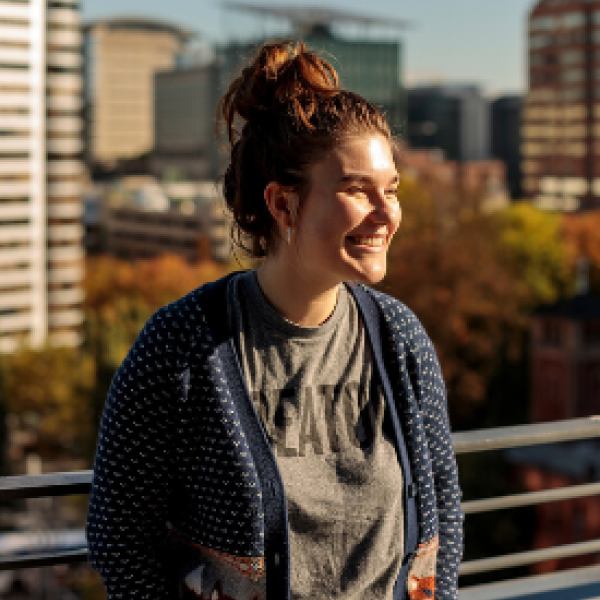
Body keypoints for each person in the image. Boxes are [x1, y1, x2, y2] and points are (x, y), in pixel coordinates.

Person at [86, 41, 463, 600]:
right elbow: (119, 536)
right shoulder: (182, 346)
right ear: (284, 206)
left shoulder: (399, 338)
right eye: (357, 190)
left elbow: (442, 509)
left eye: (391, 190)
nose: (386, 215)